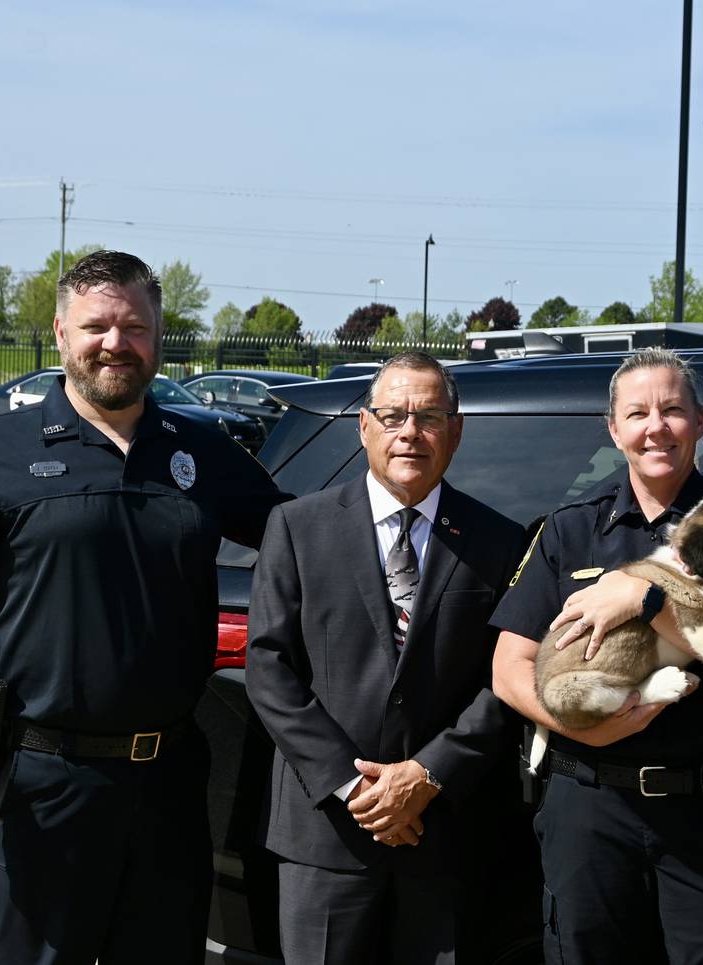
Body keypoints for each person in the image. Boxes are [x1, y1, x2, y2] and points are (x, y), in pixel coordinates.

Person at [0, 250, 286, 965]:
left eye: (135, 327)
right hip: (44, 774)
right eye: (96, 326)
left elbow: (304, 536)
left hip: (172, 774)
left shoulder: (201, 451)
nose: (115, 342)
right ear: (60, 334)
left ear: (157, 336)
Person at [491, 347, 703, 965]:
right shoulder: (568, 529)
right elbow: (507, 668)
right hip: (588, 807)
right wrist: (584, 724)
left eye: (673, 410)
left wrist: (647, 598)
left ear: (701, 420)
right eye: (637, 413)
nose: (655, 427)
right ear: (614, 430)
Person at [246, 352, 526, 965]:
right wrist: (355, 786)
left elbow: (506, 680)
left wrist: (425, 775)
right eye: (393, 414)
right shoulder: (297, 527)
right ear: (364, 426)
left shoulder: (499, 542)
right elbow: (270, 668)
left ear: (455, 431)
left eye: (429, 417)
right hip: (326, 833)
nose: (410, 432)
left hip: (444, 830)